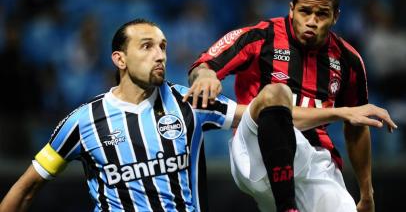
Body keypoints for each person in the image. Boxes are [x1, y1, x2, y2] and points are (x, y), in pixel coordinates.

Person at [185, 0, 397, 212]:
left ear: (335, 17)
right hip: (256, 152)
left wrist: (366, 193)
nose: (312, 21)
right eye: (305, 11)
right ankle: (288, 208)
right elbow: (202, 66)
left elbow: (356, 128)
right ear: (291, 9)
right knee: (277, 93)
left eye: (322, 14)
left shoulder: (349, 60)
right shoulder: (261, 36)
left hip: (314, 159)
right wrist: (205, 76)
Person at [0, 19, 248, 212]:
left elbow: (259, 116)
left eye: (162, 46)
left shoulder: (189, 102)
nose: (160, 55)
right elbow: (27, 187)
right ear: (120, 59)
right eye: (147, 46)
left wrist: (275, 97)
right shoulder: (82, 122)